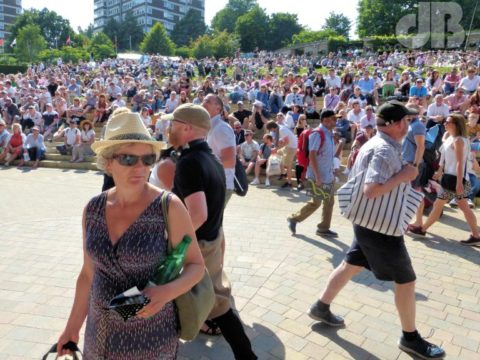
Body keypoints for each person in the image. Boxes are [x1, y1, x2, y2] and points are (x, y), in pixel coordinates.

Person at [56, 110, 205, 359]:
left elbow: (196, 265)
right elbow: (87, 274)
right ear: (108, 161)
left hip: (149, 340)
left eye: (147, 159)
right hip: (98, 336)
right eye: (128, 159)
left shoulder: (169, 206)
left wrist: (166, 292)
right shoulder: (93, 209)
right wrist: (72, 328)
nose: (140, 167)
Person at [309, 101, 445, 360]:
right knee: (406, 280)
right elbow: (371, 190)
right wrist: (404, 176)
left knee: (351, 264)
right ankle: (410, 338)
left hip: (369, 221)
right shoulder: (383, 149)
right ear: (394, 124)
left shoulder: (377, 142)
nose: (409, 125)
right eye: (405, 121)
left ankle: (321, 306)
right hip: (380, 226)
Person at [165, 103, 257, 360]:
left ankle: (121, 320)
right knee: (219, 303)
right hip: (211, 241)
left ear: (186, 127)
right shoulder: (212, 157)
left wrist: (172, 244)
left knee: (155, 289)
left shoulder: (189, 162)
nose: (169, 129)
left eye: (173, 124)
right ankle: (247, 356)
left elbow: (197, 214)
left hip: (196, 246)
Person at [409, 114, 480, 246]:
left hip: (455, 179)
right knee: (461, 207)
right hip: (450, 178)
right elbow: (444, 155)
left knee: (440, 205)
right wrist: (440, 170)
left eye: (448, 122)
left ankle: (423, 229)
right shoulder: (449, 137)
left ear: (456, 125)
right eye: (445, 122)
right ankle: (476, 235)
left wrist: (459, 183)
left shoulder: (459, 140)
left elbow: (460, 163)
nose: (445, 124)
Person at [287, 110, 337, 237]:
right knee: (316, 203)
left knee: (329, 202)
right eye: (333, 119)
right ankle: (294, 219)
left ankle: (323, 228)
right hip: (318, 176)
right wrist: (318, 176)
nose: (336, 121)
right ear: (325, 120)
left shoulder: (329, 134)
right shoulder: (317, 133)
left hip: (327, 175)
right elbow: (312, 155)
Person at [203, 94, 236, 203]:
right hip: (213, 184)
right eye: (203, 100)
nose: (203, 103)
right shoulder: (212, 127)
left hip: (221, 185)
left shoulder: (222, 128)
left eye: (207, 101)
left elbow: (230, 161)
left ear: (218, 108)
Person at [402, 105, 426, 231]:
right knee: (415, 193)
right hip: (409, 163)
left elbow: (420, 147)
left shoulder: (418, 125)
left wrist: (415, 166)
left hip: (413, 164)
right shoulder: (412, 124)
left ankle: (413, 222)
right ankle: (418, 222)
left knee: (412, 194)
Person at [266, 119, 297, 188]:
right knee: (277, 154)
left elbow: (287, 141)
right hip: (288, 146)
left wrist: (276, 148)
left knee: (288, 166)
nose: (271, 131)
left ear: (272, 128)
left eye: (270, 130)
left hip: (292, 147)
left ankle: (289, 183)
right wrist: (278, 146)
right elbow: (284, 140)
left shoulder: (281, 130)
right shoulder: (278, 127)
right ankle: (283, 173)